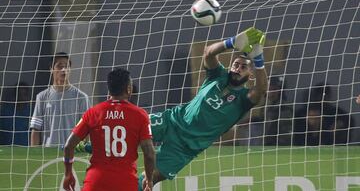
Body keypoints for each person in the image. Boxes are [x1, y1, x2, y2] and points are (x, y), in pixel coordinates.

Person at [79, 27, 267, 189]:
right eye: (235, 64)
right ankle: (91, 146)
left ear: (251, 74)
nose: (238, 68)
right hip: (172, 121)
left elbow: (261, 89)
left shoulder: (244, 98)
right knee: (129, 129)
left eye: (243, 67)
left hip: (185, 147)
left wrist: (258, 57)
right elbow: (209, 52)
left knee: (146, 181)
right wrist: (233, 42)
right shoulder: (218, 76)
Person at [63, 68, 155, 191]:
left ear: (109, 89)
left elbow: (68, 146)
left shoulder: (93, 113)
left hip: (95, 182)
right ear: (129, 89)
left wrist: (68, 173)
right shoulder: (140, 115)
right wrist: (149, 180)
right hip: (125, 183)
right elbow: (149, 154)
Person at [29, 52, 91, 147]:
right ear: (51, 69)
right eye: (59, 66)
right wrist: (33, 155)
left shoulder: (81, 97)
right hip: (49, 154)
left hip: (73, 153)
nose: (63, 70)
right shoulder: (42, 97)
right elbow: (36, 129)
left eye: (66, 66)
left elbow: (87, 129)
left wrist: (84, 153)